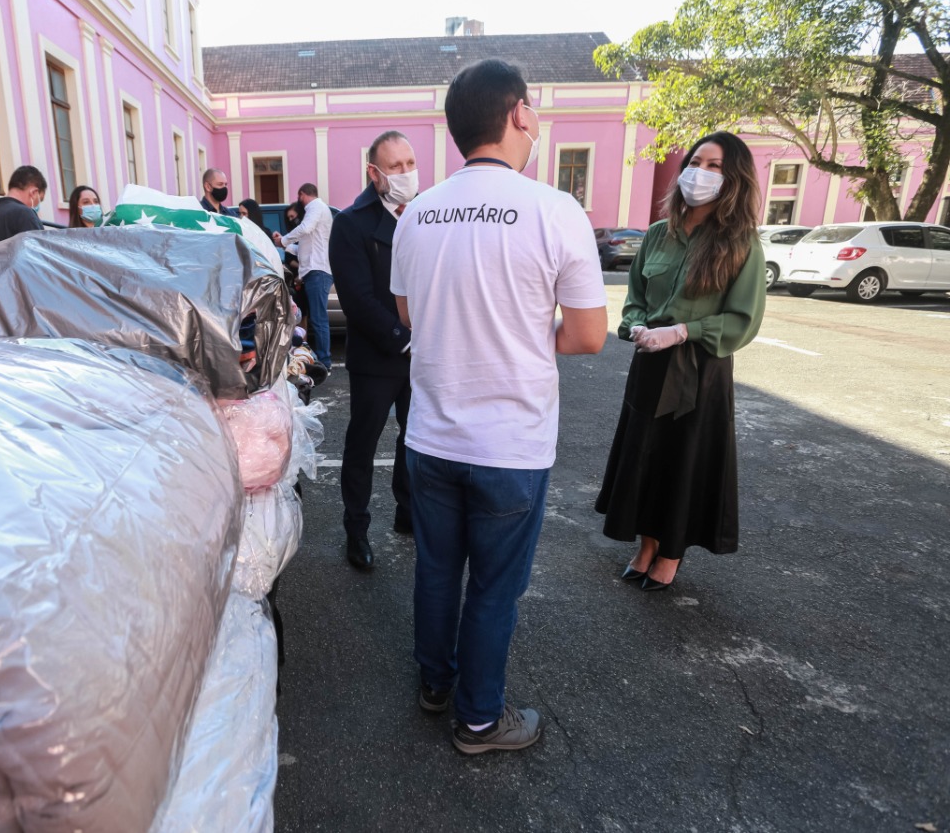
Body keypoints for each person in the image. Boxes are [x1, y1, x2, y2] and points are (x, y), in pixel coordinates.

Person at [390, 59, 608, 755]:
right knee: (491, 588)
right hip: (510, 445)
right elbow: (587, 335)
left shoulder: (417, 212)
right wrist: (519, 325)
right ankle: (480, 719)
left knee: (435, 569)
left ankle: (434, 683)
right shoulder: (555, 210)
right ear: (517, 115)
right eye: (534, 109)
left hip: (430, 433)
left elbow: (407, 310)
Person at [595, 131, 766, 591]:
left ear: (733, 180)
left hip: (700, 371)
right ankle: (646, 543)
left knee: (682, 462)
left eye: (715, 167)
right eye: (697, 162)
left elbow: (744, 319)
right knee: (645, 456)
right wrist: (635, 327)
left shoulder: (740, 243)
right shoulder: (656, 235)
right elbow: (633, 298)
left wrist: (685, 330)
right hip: (651, 365)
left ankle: (669, 552)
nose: (702, 173)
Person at [328, 130, 419, 571]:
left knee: (415, 438)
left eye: (410, 163)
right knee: (363, 444)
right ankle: (356, 528)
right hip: (379, 356)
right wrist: (403, 340)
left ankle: (407, 511)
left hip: (420, 354)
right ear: (374, 173)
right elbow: (357, 299)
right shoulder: (351, 223)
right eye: (396, 167)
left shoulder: (425, 214)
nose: (406, 174)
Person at [273, 183, 334, 369]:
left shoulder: (315, 207)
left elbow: (305, 228)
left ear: (302, 194)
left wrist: (284, 239)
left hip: (317, 270)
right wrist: (284, 244)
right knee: (317, 318)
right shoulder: (318, 209)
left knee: (318, 319)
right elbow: (304, 247)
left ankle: (325, 361)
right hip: (315, 270)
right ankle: (323, 359)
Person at [0, 165, 47, 247]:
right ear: (34, 193)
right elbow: (37, 254)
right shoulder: (25, 214)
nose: (37, 205)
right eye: (39, 199)